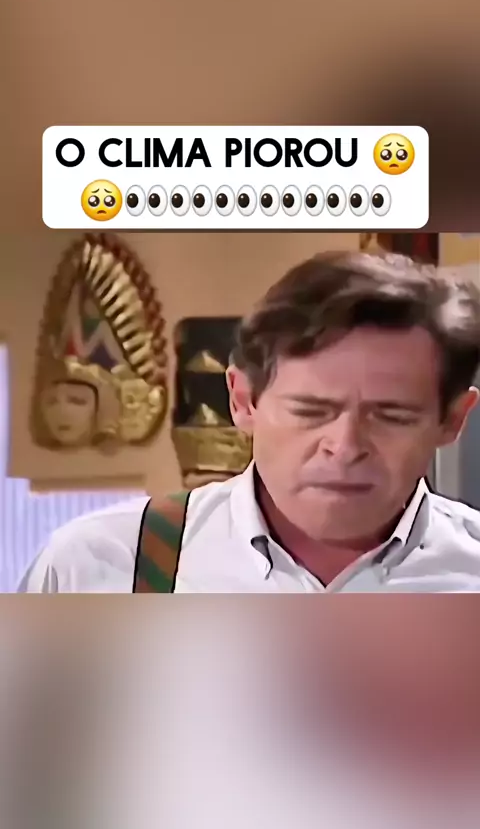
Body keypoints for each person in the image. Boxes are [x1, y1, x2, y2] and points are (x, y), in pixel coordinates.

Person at [20, 250, 480, 593]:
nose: (344, 446)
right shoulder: (98, 566)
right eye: (310, 411)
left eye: (392, 416)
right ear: (242, 401)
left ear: (452, 420)